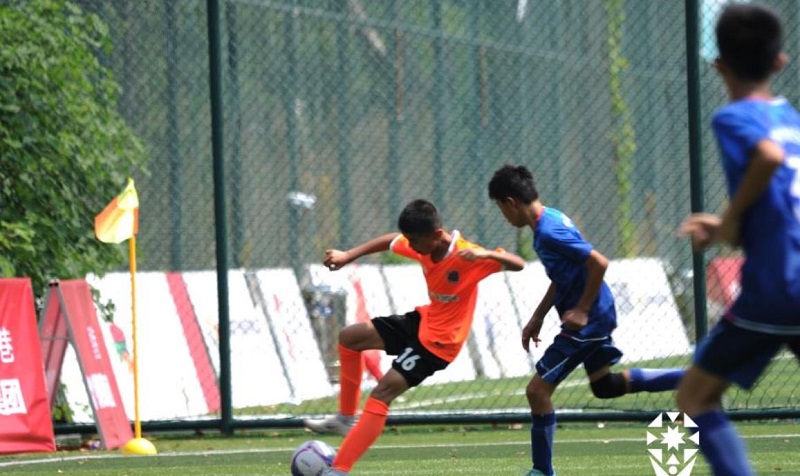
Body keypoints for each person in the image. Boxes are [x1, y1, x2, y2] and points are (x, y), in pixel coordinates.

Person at [487, 164, 685, 476]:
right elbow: (564, 275)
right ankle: (688, 378)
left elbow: (598, 263)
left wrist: (580, 309)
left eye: (500, 208)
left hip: (588, 321)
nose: (504, 216)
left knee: (537, 391)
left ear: (510, 202)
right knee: (605, 386)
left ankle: (542, 471)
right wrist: (538, 316)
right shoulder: (550, 219)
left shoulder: (549, 232)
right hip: (595, 316)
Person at [305, 198, 526, 475]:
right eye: (409, 240)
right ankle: (346, 418)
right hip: (424, 321)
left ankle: (339, 469)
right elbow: (391, 241)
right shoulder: (421, 243)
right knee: (350, 337)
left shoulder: (467, 255)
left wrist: (486, 255)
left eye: (415, 241)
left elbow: (518, 264)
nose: (410, 246)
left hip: (440, 343)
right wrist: (349, 255)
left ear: (436, 235)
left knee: (382, 393)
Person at [677, 4, 800, 475]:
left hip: (775, 287)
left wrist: (728, 224)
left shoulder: (733, 118)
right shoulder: (790, 117)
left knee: (694, 397)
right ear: (780, 61)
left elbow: (767, 158)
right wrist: (735, 225)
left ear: (718, 65)